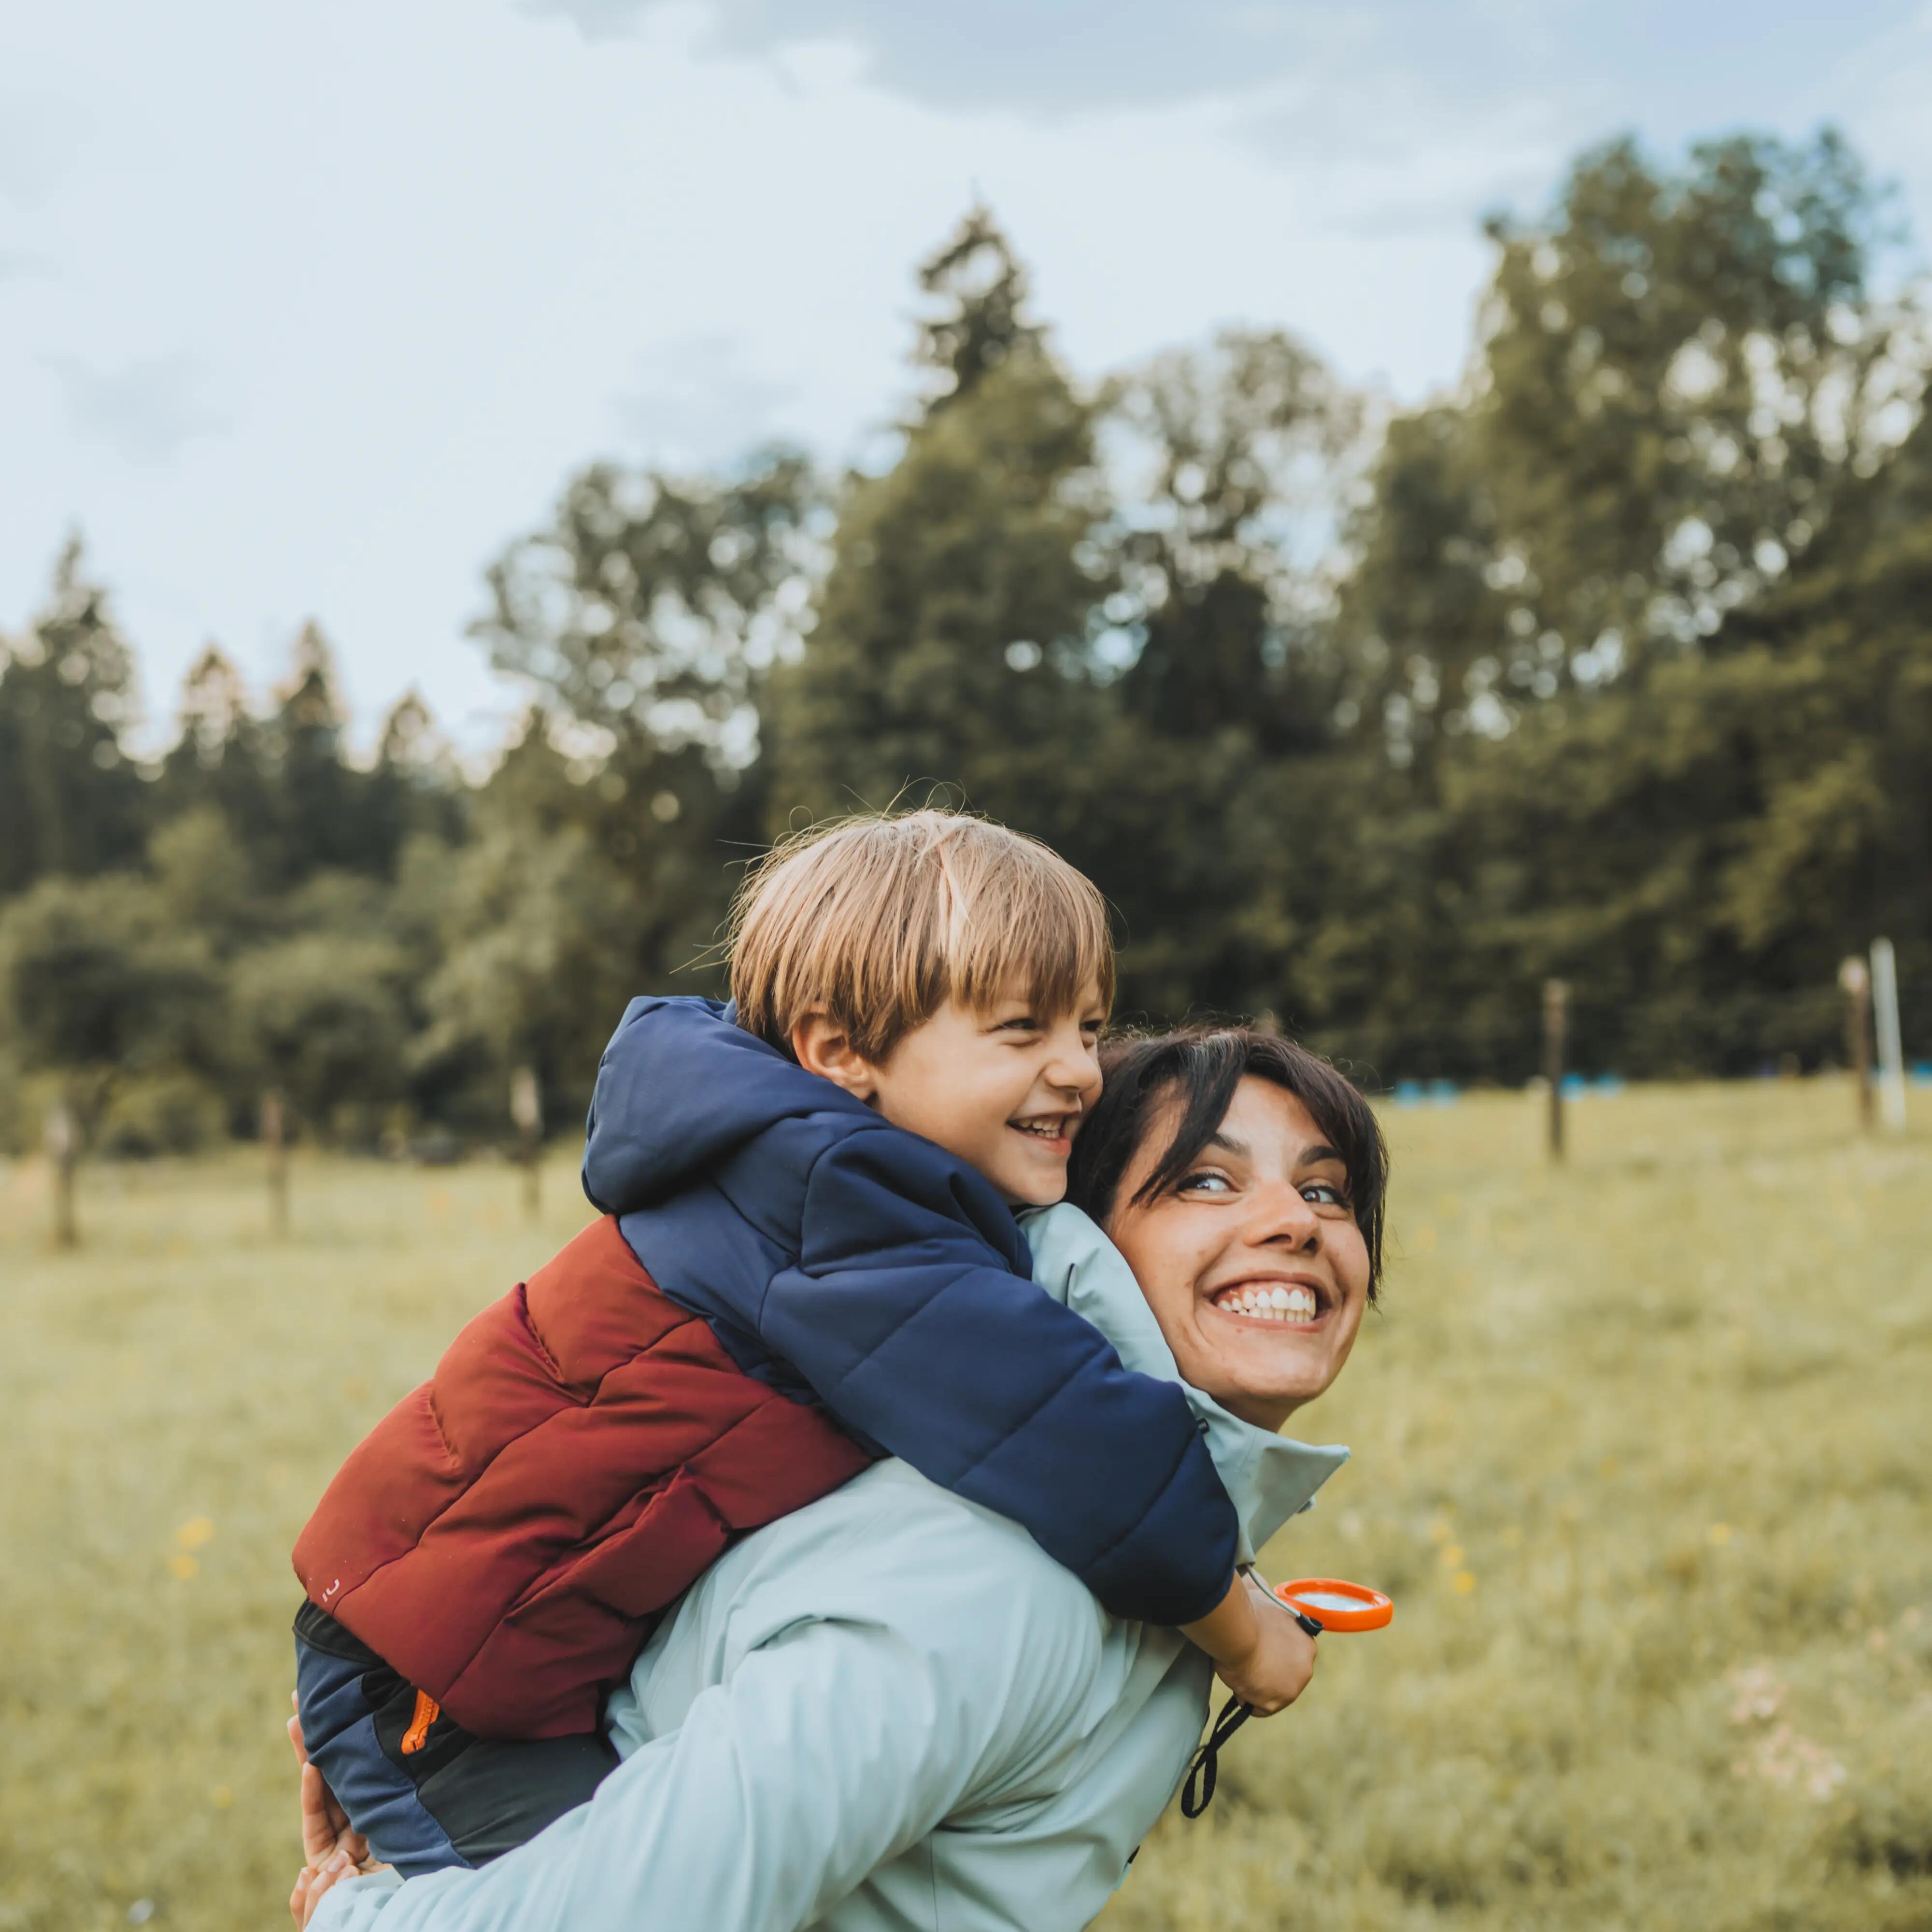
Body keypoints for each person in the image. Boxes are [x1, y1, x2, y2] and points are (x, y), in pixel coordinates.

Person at [289, 813, 1309, 1880]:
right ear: (839, 1052)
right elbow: (1074, 1438)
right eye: (1020, 1031)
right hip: (439, 1682)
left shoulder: (808, 1169)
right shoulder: (835, 1209)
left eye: (1087, 1027)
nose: (1080, 1071)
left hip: (476, 1645)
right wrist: (1240, 1631)